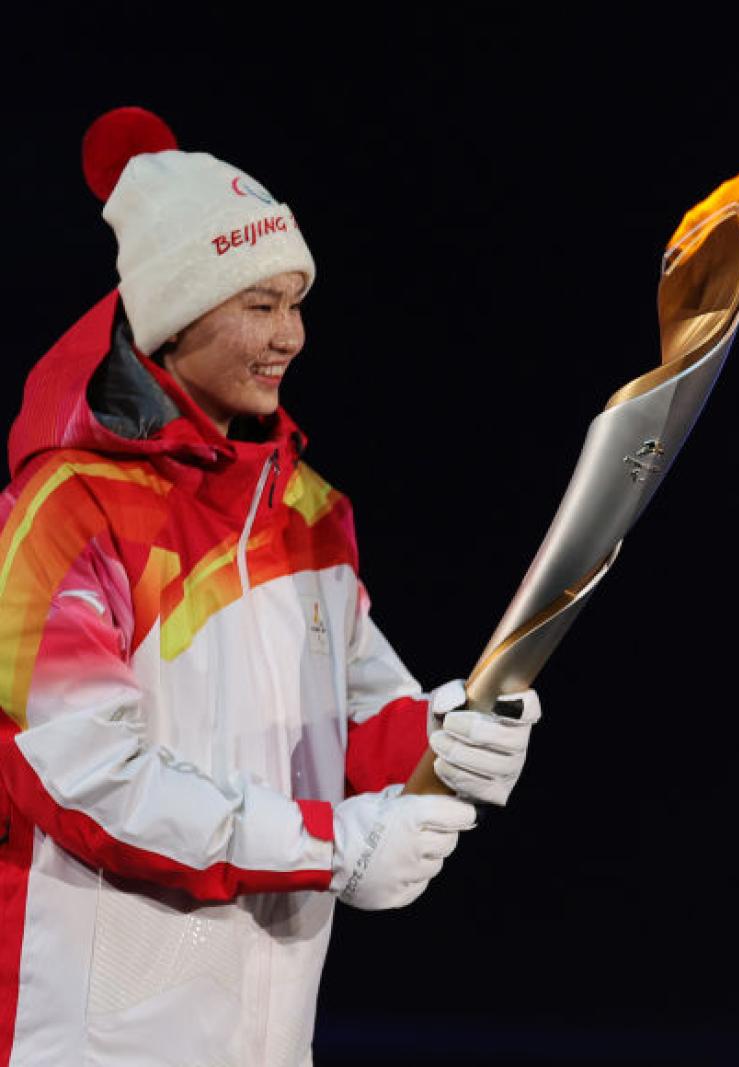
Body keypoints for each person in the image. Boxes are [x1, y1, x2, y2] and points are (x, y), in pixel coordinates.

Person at [0, 107, 540, 1067]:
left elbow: (353, 734)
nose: (290, 334)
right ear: (172, 316)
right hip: (83, 1041)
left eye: (297, 301)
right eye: (258, 303)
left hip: (269, 1035)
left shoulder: (309, 510)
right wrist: (338, 845)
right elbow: (84, 783)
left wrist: (449, 734)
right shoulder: (65, 509)